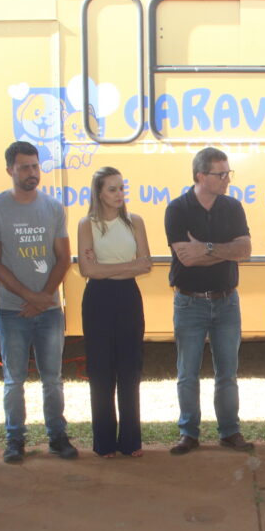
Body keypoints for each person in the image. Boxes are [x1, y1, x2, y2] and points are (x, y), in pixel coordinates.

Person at [0, 141, 79, 464]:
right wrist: (30, 297)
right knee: (14, 380)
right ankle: (15, 440)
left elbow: (64, 258)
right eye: (24, 167)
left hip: (48, 311)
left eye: (35, 166)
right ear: (10, 169)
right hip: (12, 310)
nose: (31, 172)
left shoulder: (52, 207)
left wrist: (44, 298)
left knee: (53, 379)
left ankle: (57, 436)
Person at [165, 147, 253, 455]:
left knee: (227, 372)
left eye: (228, 172)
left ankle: (229, 431)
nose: (227, 178)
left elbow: (245, 250)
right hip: (189, 303)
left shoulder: (233, 207)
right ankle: (189, 433)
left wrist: (207, 248)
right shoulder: (177, 209)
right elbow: (186, 259)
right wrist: (221, 251)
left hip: (227, 301)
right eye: (221, 173)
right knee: (188, 372)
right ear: (201, 176)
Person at [77, 167, 152, 457]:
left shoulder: (135, 222)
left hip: (128, 298)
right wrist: (127, 266)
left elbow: (145, 264)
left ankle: (131, 441)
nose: (119, 194)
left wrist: (106, 269)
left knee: (130, 369)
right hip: (97, 299)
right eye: (112, 189)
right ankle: (104, 442)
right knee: (101, 371)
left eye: (121, 188)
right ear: (99, 193)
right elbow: (87, 270)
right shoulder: (87, 224)